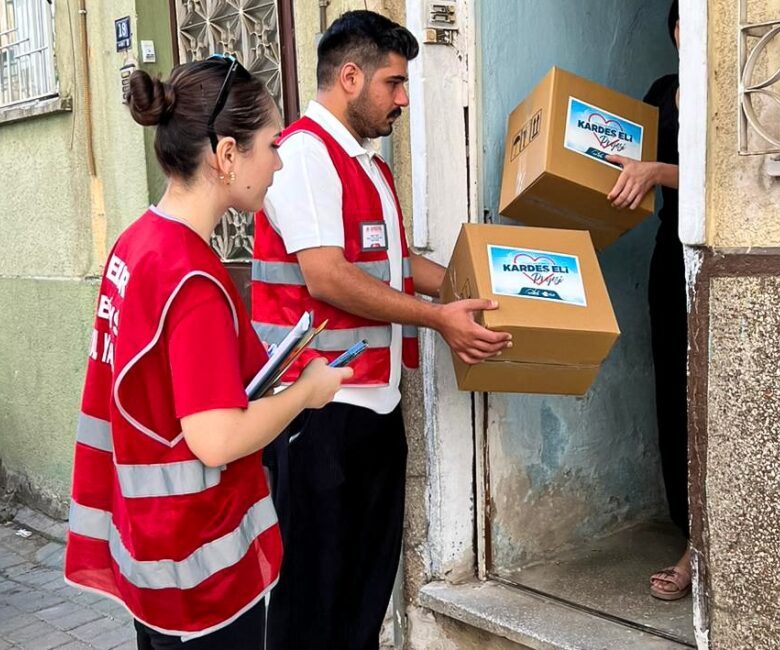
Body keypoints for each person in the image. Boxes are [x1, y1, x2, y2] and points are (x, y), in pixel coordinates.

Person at [63, 56, 352, 648]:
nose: (279, 161)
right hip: (200, 570)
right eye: (272, 145)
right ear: (226, 156)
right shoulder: (193, 278)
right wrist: (306, 393)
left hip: (152, 553)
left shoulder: (137, 243)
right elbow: (215, 438)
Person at [252, 10, 512, 649]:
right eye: (394, 84)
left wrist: (482, 285)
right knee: (314, 598)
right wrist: (438, 320)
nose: (402, 99)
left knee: (362, 592)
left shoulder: (364, 162)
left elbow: (396, 267)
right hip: (318, 415)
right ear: (348, 77)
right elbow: (328, 278)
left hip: (371, 406)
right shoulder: (305, 158)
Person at [605, 1, 688, 601]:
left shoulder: (733, 96)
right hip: (669, 257)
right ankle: (691, 534)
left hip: (710, 255)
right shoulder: (662, 91)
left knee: (711, 400)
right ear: (680, 32)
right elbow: (622, 156)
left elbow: (722, 177)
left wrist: (658, 172)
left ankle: (705, 547)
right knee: (672, 396)